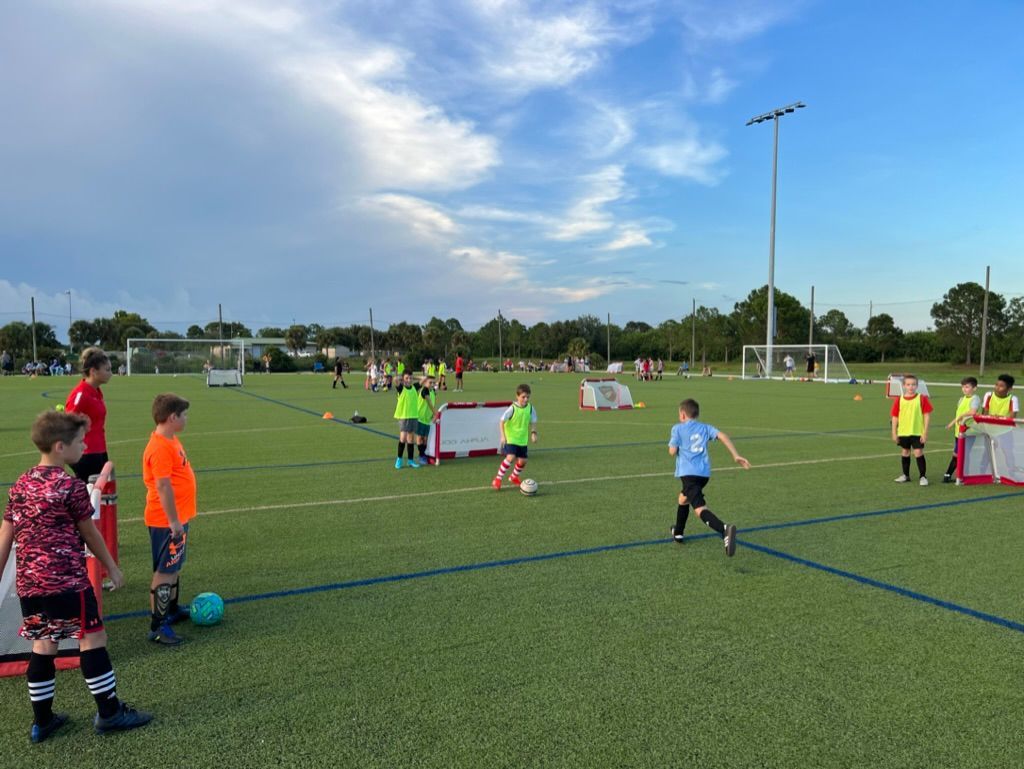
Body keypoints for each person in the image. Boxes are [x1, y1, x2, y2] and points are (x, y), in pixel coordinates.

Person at [0, 410, 152, 741]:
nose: (85, 446)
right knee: (92, 640)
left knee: (44, 644)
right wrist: (111, 566)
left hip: (30, 586)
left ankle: (42, 721)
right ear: (59, 447)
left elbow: (5, 538)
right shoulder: (69, 486)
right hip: (66, 583)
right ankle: (109, 713)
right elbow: (90, 533)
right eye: (80, 441)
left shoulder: (20, 484)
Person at [143, 394, 197, 645]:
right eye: (184, 415)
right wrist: (173, 521)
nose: (186, 419)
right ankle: (158, 626)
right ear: (172, 417)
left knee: (173, 566)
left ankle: (171, 610)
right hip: (166, 521)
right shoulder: (160, 447)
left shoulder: (170, 439)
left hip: (178, 517)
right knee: (164, 572)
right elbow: (163, 486)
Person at [668, 399, 750, 555]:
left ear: (683, 415)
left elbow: (672, 451)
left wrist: (676, 448)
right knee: (683, 498)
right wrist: (736, 456)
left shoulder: (677, 429)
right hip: (703, 474)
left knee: (699, 508)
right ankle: (678, 532)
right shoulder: (705, 427)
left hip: (688, 474)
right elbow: (723, 436)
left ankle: (724, 529)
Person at [65, 347, 113, 484]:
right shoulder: (81, 394)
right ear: (93, 371)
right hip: (87, 454)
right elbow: (67, 422)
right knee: (89, 496)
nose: (111, 373)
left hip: (99, 450)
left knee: (101, 496)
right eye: (107, 369)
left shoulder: (96, 391)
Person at [492, 384, 537, 489]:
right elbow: (502, 421)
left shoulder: (530, 408)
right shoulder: (512, 408)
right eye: (523, 397)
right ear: (517, 396)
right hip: (511, 438)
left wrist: (533, 433)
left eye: (528, 397)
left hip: (522, 439)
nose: (526, 399)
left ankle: (514, 477)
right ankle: (498, 479)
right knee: (511, 457)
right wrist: (503, 436)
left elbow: (534, 420)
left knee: (523, 461)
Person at [890, 374, 933, 486]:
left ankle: (923, 477)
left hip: (917, 432)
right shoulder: (899, 400)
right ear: (904, 386)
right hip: (903, 432)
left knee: (918, 452)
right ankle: (905, 475)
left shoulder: (922, 398)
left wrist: (925, 433)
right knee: (905, 451)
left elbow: (927, 416)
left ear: (917, 386)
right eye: (908, 384)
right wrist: (894, 432)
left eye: (913, 384)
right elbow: (895, 417)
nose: (911, 387)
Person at [943, 376, 980, 483]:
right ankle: (958, 475)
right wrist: (951, 423)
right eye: (963, 387)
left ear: (974, 388)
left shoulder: (975, 398)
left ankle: (950, 476)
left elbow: (973, 412)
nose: (964, 389)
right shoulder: (961, 399)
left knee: (959, 454)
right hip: (958, 431)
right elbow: (958, 414)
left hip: (968, 431)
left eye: (967, 387)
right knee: (960, 454)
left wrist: (962, 416)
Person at [393, 371, 421, 469]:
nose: (409, 380)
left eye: (410, 378)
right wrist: (401, 378)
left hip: (413, 416)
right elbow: (395, 380)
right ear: (403, 379)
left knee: (411, 439)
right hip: (404, 417)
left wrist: (414, 377)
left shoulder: (414, 387)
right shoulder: (401, 388)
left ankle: (410, 461)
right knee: (403, 438)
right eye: (407, 378)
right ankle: (399, 459)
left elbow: (424, 379)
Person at [415, 374, 438, 466]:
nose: (432, 384)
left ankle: (424, 454)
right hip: (420, 418)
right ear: (425, 382)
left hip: (427, 418)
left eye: (433, 383)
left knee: (425, 439)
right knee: (420, 438)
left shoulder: (433, 391)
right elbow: (429, 402)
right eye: (430, 382)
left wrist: (432, 415)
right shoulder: (424, 390)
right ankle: (421, 456)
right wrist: (436, 413)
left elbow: (433, 402)